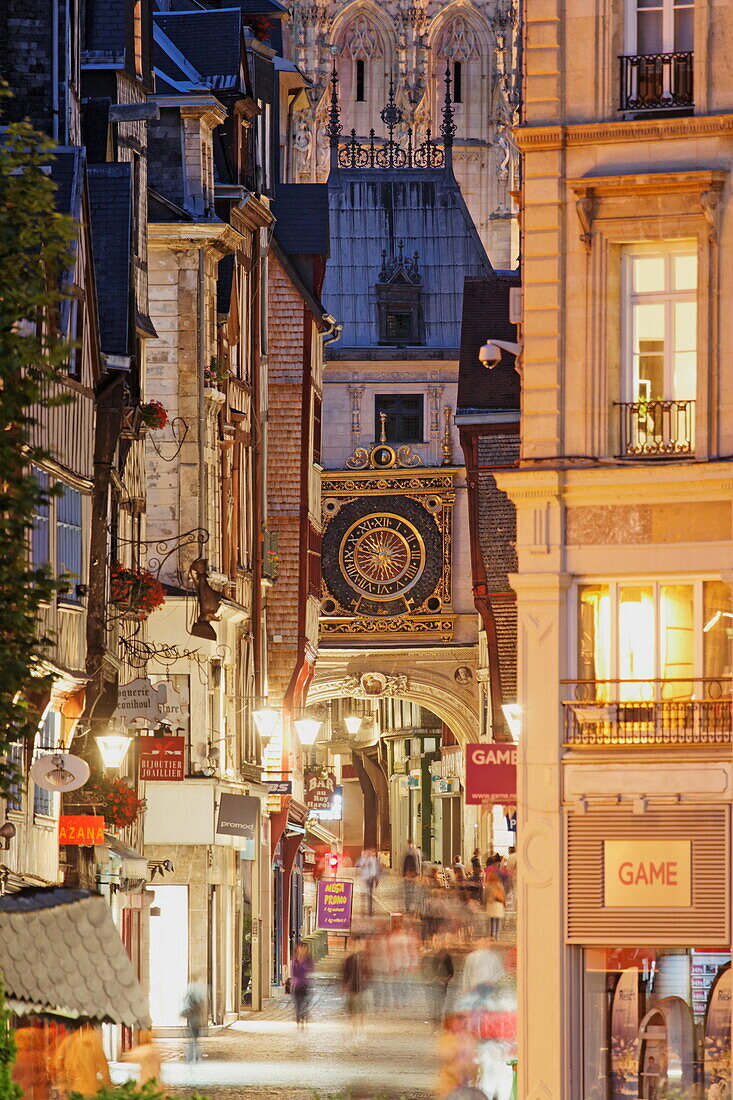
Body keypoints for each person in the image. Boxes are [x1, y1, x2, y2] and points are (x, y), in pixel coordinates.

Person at [53, 1024, 111, 1099]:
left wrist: (64, 1082)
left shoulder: (69, 1040)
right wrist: (108, 1086)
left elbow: (57, 1063)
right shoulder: (94, 1040)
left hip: (76, 1088)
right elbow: (104, 1067)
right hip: (93, 1088)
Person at [342, 938, 369, 1035]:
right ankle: (354, 1028)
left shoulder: (364, 958)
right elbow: (345, 974)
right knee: (353, 1010)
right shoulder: (349, 959)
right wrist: (344, 986)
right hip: (353, 988)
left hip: (362, 987)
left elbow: (369, 972)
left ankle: (361, 1028)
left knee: (362, 1009)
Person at [181, 976, 207, 1063]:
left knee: (192, 1036)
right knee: (195, 1036)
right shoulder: (198, 990)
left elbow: (186, 1001)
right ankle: (195, 1054)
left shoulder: (190, 989)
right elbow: (201, 1004)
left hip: (192, 1016)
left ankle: (192, 1054)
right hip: (196, 1016)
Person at [290, 943, 314, 1029]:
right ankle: (298, 1020)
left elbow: (310, 970)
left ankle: (304, 1017)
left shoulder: (308, 960)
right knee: (298, 1004)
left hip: (305, 985)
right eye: (301, 948)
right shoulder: (295, 960)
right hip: (296, 985)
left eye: (304, 948)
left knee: (305, 1003)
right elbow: (293, 972)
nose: (302, 950)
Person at [356, 847, 382, 917]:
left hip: (372, 878)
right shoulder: (365, 859)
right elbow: (359, 864)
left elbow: (378, 869)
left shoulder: (376, 860)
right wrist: (365, 858)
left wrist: (377, 879)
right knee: (364, 894)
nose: (372, 853)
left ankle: (370, 910)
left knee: (370, 894)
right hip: (366, 878)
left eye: (373, 852)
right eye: (371, 852)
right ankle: (364, 909)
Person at [485, 868, 506, 940]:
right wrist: (504, 904)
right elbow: (503, 894)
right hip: (498, 904)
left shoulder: (487, 885)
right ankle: (497, 936)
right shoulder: (499, 884)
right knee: (498, 921)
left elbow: (484, 895)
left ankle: (491, 935)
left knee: (491, 921)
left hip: (491, 904)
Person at [402, 839, 422, 913]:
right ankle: (413, 907)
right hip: (414, 873)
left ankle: (408, 907)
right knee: (414, 891)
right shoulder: (417, 851)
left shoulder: (407, 852)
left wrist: (404, 874)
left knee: (408, 892)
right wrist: (419, 872)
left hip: (409, 874)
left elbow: (404, 864)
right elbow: (419, 863)